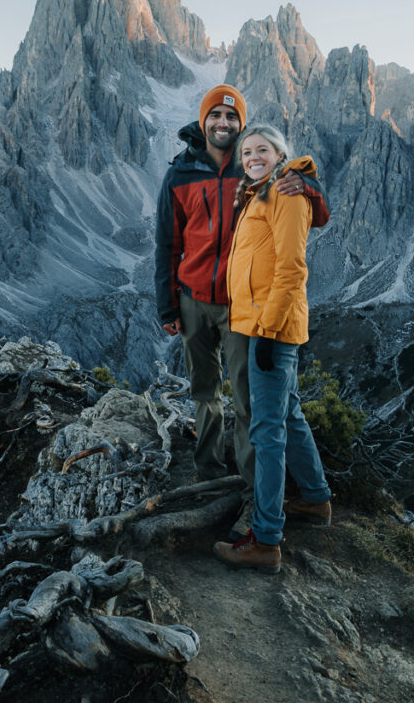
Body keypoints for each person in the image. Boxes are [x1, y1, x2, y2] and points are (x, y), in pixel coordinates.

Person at [155, 86, 329, 541]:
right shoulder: (180, 173)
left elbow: (307, 208)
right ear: (204, 120)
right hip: (193, 297)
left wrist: (309, 184)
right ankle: (209, 474)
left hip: (240, 308)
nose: (224, 126)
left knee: (250, 401)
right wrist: (167, 303)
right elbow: (166, 242)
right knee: (204, 391)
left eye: (232, 120)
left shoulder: (253, 169)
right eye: (216, 117)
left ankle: (255, 495)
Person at [213, 125, 332, 574]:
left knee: (266, 431)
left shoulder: (286, 191)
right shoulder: (259, 192)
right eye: (247, 151)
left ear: (280, 153)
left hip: (271, 328)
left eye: (262, 149)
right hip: (261, 323)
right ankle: (316, 498)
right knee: (290, 412)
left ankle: (265, 539)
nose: (252, 156)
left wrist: (267, 331)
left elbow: (291, 268)